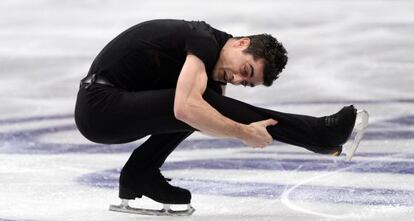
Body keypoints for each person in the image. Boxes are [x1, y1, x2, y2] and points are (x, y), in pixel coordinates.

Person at [74, 19, 363, 215]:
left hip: (111, 108)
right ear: (240, 43)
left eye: (245, 83)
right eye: (245, 70)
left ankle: (140, 175)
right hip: (100, 107)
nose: (237, 78)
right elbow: (184, 109)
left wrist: (234, 126)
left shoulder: (210, 67)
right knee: (194, 103)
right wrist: (242, 132)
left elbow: (193, 113)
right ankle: (318, 133)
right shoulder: (203, 39)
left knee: (202, 103)